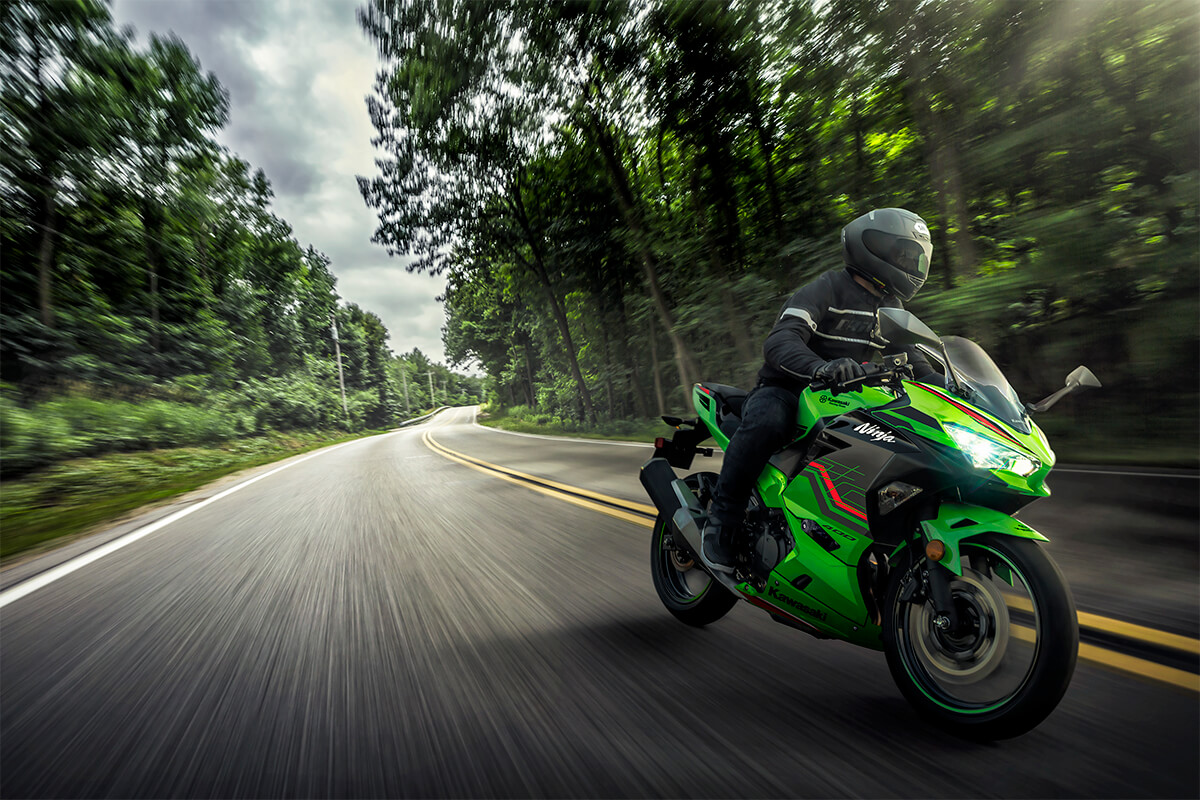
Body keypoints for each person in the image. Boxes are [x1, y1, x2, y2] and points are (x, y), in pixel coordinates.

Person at [701, 207, 938, 574]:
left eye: (915, 256)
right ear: (873, 249)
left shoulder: (891, 308)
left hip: (847, 399)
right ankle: (722, 519)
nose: (912, 264)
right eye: (905, 254)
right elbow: (781, 340)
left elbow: (916, 363)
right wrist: (819, 367)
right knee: (768, 420)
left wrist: (959, 390)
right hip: (789, 388)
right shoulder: (826, 288)